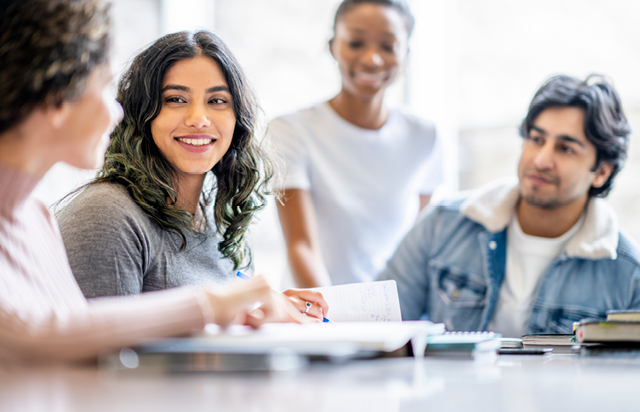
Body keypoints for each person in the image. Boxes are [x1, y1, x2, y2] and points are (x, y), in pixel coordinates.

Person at [0, 0, 321, 364]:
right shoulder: (103, 213)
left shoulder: (34, 218)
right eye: (105, 87)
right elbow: (45, 342)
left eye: (217, 100)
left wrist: (250, 313)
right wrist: (219, 304)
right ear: (57, 97)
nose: (116, 110)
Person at [56, 30, 328, 320]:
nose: (198, 119)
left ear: (238, 120)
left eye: (217, 101)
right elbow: (100, 357)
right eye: (175, 99)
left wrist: (262, 314)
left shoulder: (217, 223)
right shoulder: (107, 215)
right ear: (140, 113)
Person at [379, 74, 640, 336]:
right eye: (536, 139)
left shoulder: (629, 276)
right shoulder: (442, 224)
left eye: (565, 149)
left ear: (602, 172)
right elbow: (378, 327)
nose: (541, 160)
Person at [269, 0, 443, 287]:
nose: (372, 58)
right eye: (356, 42)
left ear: (405, 53)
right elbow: (300, 245)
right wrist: (333, 322)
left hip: (396, 313)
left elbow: (417, 250)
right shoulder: (290, 130)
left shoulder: (425, 136)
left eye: (387, 46)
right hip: (317, 313)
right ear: (333, 46)